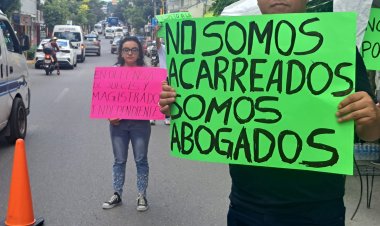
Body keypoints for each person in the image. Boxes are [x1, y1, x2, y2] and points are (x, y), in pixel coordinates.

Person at [159, 0, 380, 225]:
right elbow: (191, 105)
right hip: (247, 207)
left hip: (319, 210)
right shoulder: (229, 46)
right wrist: (174, 102)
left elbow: (369, 132)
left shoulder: (337, 43)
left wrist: (372, 117)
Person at [102, 36, 151, 212]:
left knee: (141, 160)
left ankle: (142, 195)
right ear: (121, 52)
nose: (130, 53)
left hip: (140, 125)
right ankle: (117, 193)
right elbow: (104, 97)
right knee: (119, 160)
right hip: (118, 125)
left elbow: (154, 97)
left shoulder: (148, 72)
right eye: (126, 49)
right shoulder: (112, 72)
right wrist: (109, 115)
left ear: (139, 52)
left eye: (134, 49)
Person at [150, 26, 171, 126]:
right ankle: (152, 116)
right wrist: (156, 32)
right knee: (157, 96)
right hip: (162, 76)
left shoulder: (180, 50)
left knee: (168, 98)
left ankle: (167, 117)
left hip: (174, 77)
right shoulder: (163, 48)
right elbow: (158, 44)